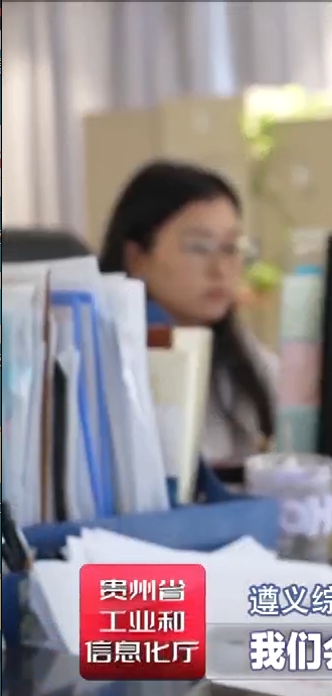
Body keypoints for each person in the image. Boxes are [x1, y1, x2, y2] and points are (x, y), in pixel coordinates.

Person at [99, 160, 278, 470]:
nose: (220, 269)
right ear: (137, 258)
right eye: (199, 247)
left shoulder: (241, 351)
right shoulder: (107, 357)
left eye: (230, 248)